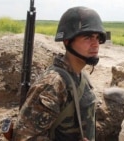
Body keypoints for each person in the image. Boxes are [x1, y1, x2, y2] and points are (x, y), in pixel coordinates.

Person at [12, 6, 106, 141]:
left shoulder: (81, 76)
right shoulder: (53, 83)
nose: (95, 44)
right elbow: (24, 137)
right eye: (88, 37)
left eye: (98, 38)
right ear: (67, 41)